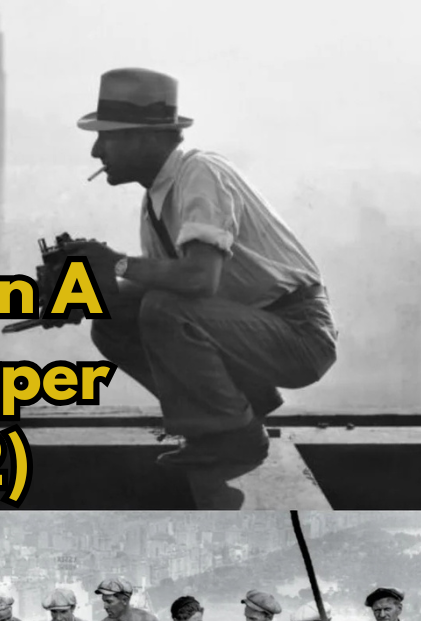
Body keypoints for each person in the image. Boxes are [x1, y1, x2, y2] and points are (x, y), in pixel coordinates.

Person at [75, 68, 337, 468]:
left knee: (163, 308)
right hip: (252, 326)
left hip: (298, 333)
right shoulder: (156, 203)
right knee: (110, 321)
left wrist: (118, 263)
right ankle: (224, 420)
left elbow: (198, 280)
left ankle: (235, 434)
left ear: (146, 138)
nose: (96, 152)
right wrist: (84, 296)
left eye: (106, 136)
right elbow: (164, 291)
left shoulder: (200, 174)